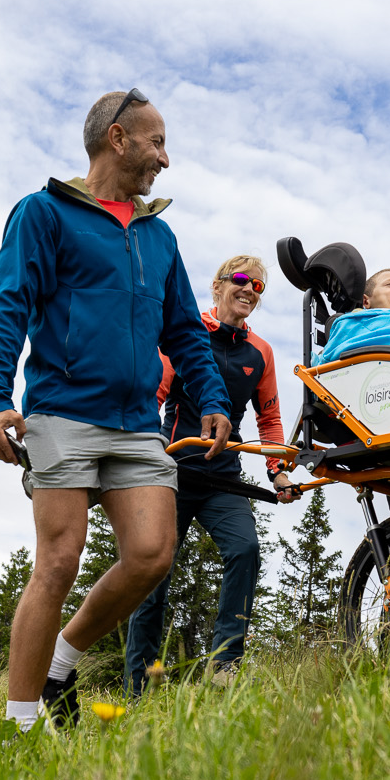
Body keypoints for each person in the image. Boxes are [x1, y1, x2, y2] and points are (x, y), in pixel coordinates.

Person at [0, 88, 230, 729]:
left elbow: (184, 333)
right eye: (157, 142)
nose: (165, 160)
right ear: (118, 139)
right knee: (59, 558)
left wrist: (213, 400)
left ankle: (63, 658)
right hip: (62, 412)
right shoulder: (44, 213)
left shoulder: (159, 234)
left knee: (152, 553)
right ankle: (20, 725)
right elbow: (7, 305)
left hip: (137, 422)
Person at [123, 256, 299, 692]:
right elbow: (155, 392)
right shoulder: (185, 334)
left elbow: (270, 420)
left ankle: (224, 667)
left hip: (222, 476)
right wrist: (145, 451)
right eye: (241, 280)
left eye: (258, 287)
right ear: (217, 286)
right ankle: (138, 686)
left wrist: (277, 472)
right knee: (153, 572)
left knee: (245, 551)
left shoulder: (261, 353)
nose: (250, 290)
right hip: (172, 469)